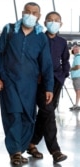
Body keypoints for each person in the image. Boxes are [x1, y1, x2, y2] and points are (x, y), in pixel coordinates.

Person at [0, 2, 54, 165]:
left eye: (34, 13)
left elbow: (46, 64)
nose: (31, 15)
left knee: (28, 117)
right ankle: (15, 152)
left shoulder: (41, 36)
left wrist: (49, 87)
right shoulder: (10, 30)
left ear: (39, 16)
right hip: (9, 81)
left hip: (30, 85)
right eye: (28, 12)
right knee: (14, 114)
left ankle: (21, 147)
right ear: (22, 12)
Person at [27, 11, 69, 163]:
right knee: (48, 112)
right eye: (50, 20)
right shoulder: (38, 39)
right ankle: (55, 151)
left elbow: (66, 61)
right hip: (40, 82)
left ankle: (31, 143)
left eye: (56, 20)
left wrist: (63, 75)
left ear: (61, 23)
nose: (53, 22)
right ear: (44, 23)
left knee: (45, 113)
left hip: (56, 81)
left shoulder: (63, 42)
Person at [70, 45, 80, 110]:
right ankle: (76, 104)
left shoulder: (77, 57)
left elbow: (78, 67)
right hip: (76, 76)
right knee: (78, 91)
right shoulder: (76, 57)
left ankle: (76, 105)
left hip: (77, 77)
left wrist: (71, 69)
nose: (75, 50)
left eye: (76, 49)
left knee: (77, 91)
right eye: (74, 49)